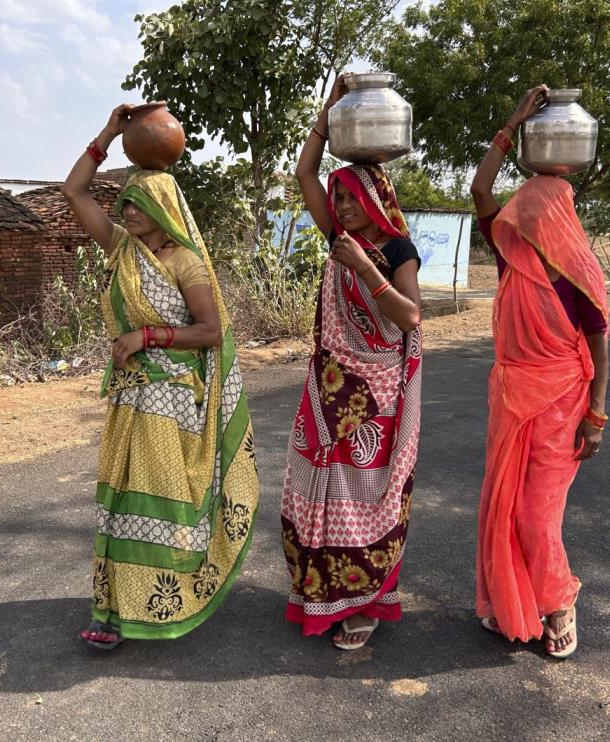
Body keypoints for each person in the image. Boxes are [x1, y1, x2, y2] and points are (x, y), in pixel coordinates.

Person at [60, 104, 259, 649]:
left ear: (162, 206)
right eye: (123, 202)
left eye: (137, 202)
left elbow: (210, 331)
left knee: (154, 498)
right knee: (122, 498)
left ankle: (156, 601)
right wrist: (107, 133)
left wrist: (146, 337)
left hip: (170, 398)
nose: (125, 210)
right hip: (130, 396)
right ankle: (114, 607)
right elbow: (75, 191)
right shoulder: (123, 251)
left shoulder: (183, 263)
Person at [282, 75, 424, 651]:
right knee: (314, 489)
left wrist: (365, 268)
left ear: (374, 201)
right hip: (328, 386)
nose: (339, 205)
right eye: (337, 198)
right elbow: (303, 174)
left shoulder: (395, 250)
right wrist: (330, 110)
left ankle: (364, 601)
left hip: (376, 394)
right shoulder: (337, 235)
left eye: (349, 198)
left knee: (367, 497)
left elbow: (410, 317)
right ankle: (321, 596)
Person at [470, 85, 610, 659]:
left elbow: (600, 348)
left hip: (562, 402)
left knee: (535, 509)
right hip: (512, 394)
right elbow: (480, 189)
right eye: (519, 211)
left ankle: (557, 603)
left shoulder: (579, 270)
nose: (520, 218)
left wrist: (597, 415)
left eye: (531, 211)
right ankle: (512, 603)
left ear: (556, 216)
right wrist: (512, 124)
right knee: (503, 503)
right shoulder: (512, 257)